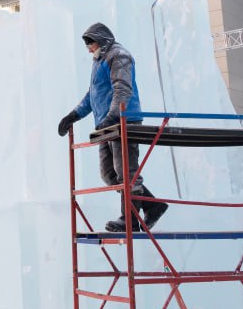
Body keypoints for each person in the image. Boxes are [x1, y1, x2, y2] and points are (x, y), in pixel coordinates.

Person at [57, 22, 168, 233]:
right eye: (87, 45)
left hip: (124, 120)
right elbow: (93, 95)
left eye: (92, 43)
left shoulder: (119, 56)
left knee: (126, 172)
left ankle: (130, 219)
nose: (89, 48)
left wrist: (113, 116)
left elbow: (122, 89)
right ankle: (153, 206)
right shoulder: (98, 62)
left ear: (103, 40)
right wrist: (73, 115)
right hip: (107, 124)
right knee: (109, 174)